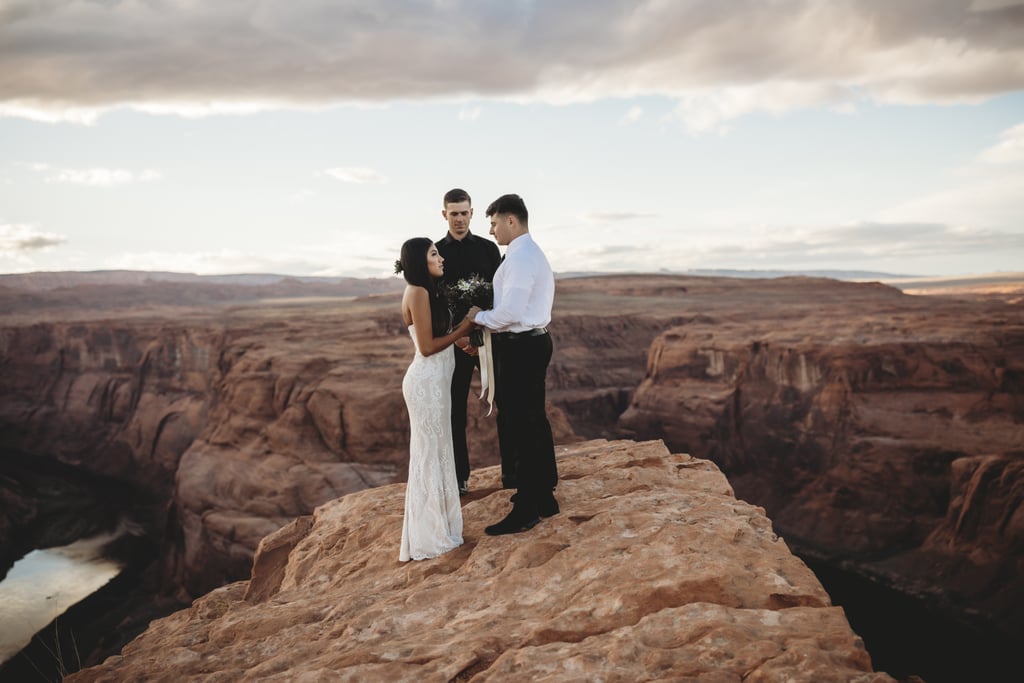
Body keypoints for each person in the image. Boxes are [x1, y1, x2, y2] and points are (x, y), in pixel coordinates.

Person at [467, 194, 559, 536]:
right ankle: (544, 495)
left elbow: (510, 314)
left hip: (522, 347)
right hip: (531, 343)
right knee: (533, 419)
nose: (491, 231)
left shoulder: (521, 259)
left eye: (493, 223)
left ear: (510, 221)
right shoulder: (527, 254)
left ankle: (528, 506)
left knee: (521, 422)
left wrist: (478, 317)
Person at [396, 237, 476, 561]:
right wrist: (464, 328)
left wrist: (461, 342)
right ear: (419, 260)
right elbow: (426, 347)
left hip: (437, 384)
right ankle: (429, 537)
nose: (441, 257)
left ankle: (439, 525)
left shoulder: (427, 291)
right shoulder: (416, 292)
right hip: (426, 385)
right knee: (429, 456)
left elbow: (436, 333)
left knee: (440, 451)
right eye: (433, 253)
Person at [435, 188, 503, 494]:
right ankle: (459, 478)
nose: (459, 219)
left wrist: (482, 334)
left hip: (489, 340)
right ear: (444, 214)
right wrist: (458, 339)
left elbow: (499, 294)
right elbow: (433, 304)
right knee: (454, 411)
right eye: (454, 213)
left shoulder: (489, 250)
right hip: (454, 345)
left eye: (464, 213)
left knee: (507, 405)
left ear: (472, 213)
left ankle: (513, 474)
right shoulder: (434, 252)